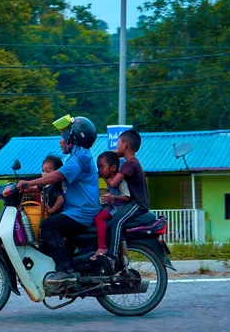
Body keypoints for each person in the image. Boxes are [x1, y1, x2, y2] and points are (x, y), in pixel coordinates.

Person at [17, 115, 101, 283]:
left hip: (82, 212)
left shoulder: (80, 158)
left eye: (62, 136)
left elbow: (56, 176)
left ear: (73, 137)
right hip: (76, 211)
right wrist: (25, 186)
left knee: (48, 226)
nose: (60, 141)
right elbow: (50, 183)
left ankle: (65, 270)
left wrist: (28, 183)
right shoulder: (77, 157)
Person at [95, 129, 150, 275]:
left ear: (125, 145)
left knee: (117, 221)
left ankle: (112, 258)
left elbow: (113, 183)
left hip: (138, 204)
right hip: (133, 203)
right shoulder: (130, 162)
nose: (116, 147)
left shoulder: (129, 164)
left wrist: (103, 174)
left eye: (118, 144)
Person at [91, 151, 130, 259]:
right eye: (98, 167)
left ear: (113, 168)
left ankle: (102, 247)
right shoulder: (108, 180)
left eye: (102, 167)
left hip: (119, 208)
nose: (100, 170)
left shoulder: (121, 181)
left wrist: (113, 198)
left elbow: (127, 197)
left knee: (100, 217)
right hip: (113, 206)